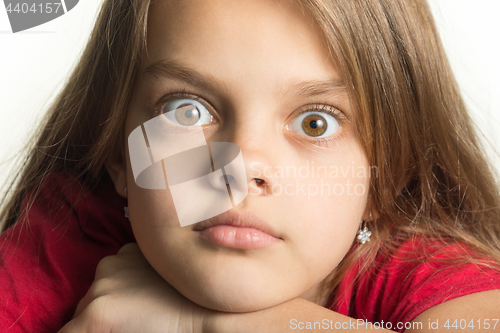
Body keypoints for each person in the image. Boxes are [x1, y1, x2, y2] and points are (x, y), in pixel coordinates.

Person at [1, 0, 500, 332]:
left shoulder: (426, 273)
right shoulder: (69, 235)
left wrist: (194, 321)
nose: (238, 169)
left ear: (385, 178)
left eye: (315, 124)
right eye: (187, 110)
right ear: (119, 153)